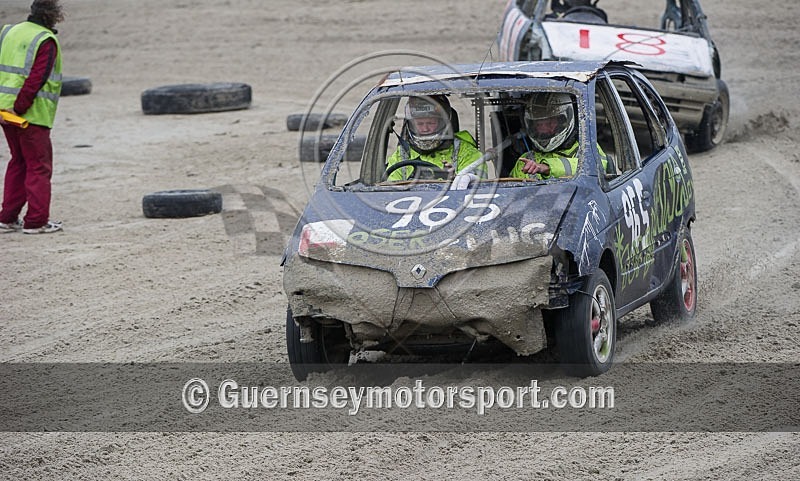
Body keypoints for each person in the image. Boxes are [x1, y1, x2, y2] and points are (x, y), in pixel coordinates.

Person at [0, 0, 64, 234]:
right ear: (52, 15)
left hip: (4, 110)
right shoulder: (45, 40)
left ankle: (7, 218)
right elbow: (37, 78)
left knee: (18, 161)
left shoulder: (9, 31)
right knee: (38, 166)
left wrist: (8, 108)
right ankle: (36, 221)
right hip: (30, 114)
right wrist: (20, 107)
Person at [386, 95, 486, 182]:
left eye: (431, 123)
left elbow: (478, 190)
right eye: (420, 124)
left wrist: (455, 179)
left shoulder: (467, 153)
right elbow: (389, 191)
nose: (425, 129)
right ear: (411, 124)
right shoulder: (401, 155)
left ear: (443, 122)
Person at [509, 92, 607, 179]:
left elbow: (596, 167)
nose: (544, 129)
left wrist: (547, 167)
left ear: (563, 121)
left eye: (549, 123)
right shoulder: (525, 160)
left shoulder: (586, 147)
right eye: (539, 124)